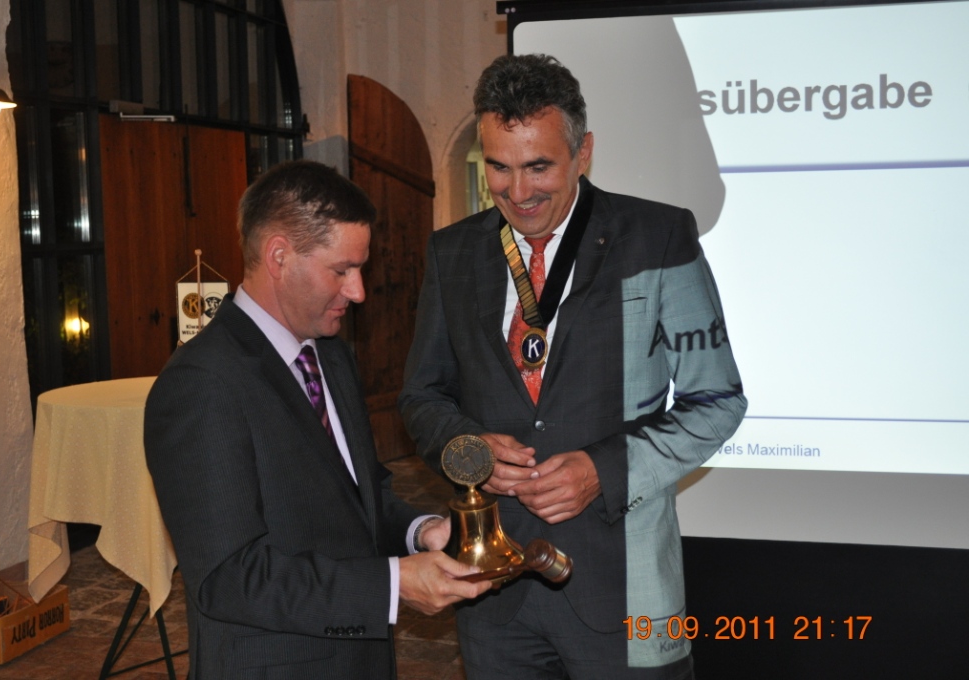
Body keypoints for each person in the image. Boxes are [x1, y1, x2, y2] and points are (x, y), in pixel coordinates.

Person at [399, 54, 747, 679]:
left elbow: (717, 402)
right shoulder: (452, 252)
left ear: (583, 152)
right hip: (492, 595)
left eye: (539, 166)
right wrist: (466, 448)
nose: (518, 192)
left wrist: (600, 471)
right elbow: (423, 397)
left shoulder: (658, 235)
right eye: (499, 168)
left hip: (626, 586)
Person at [145, 160, 490, 678]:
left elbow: (358, 498)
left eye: (361, 269)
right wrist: (392, 586)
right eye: (341, 270)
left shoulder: (329, 354)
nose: (358, 292)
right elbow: (229, 578)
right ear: (279, 257)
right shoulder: (202, 384)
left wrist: (422, 532)